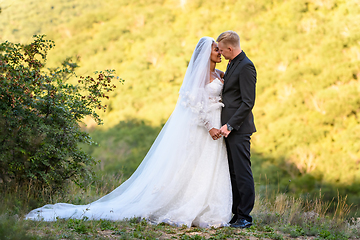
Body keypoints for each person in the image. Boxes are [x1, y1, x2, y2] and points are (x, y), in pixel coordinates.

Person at [25, 37, 232, 228]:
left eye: (219, 50)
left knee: (208, 166)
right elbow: (193, 103)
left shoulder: (218, 74)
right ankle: (185, 206)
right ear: (206, 53)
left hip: (217, 125)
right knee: (191, 166)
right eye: (216, 49)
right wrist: (209, 126)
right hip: (205, 128)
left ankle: (207, 206)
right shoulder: (200, 76)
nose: (219, 53)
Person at [217, 31, 257, 228]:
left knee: (242, 172)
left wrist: (230, 125)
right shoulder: (232, 63)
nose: (221, 53)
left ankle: (245, 216)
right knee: (232, 172)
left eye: (222, 50)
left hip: (239, 129)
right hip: (228, 129)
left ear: (230, 48)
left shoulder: (246, 66)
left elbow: (248, 102)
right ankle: (236, 212)